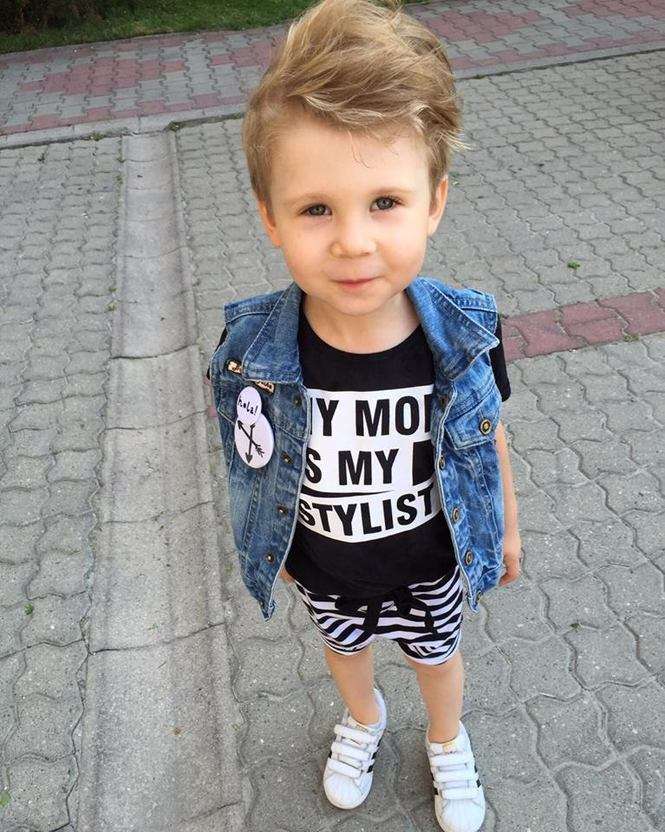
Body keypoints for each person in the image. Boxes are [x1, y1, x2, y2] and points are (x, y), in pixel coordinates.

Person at [207, 1, 521, 829]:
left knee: (437, 655)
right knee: (343, 649)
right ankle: (364, 718)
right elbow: (250, 451)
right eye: (316, 209)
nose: (352, 241)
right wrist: (270, 541)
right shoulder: (253, 347)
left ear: (434, 202)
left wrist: (507, 530)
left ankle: (446, 738)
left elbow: (487, 437)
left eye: (384, 201)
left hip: (430, 563)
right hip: (327, 566)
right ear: (270, 215)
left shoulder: (462, 335)